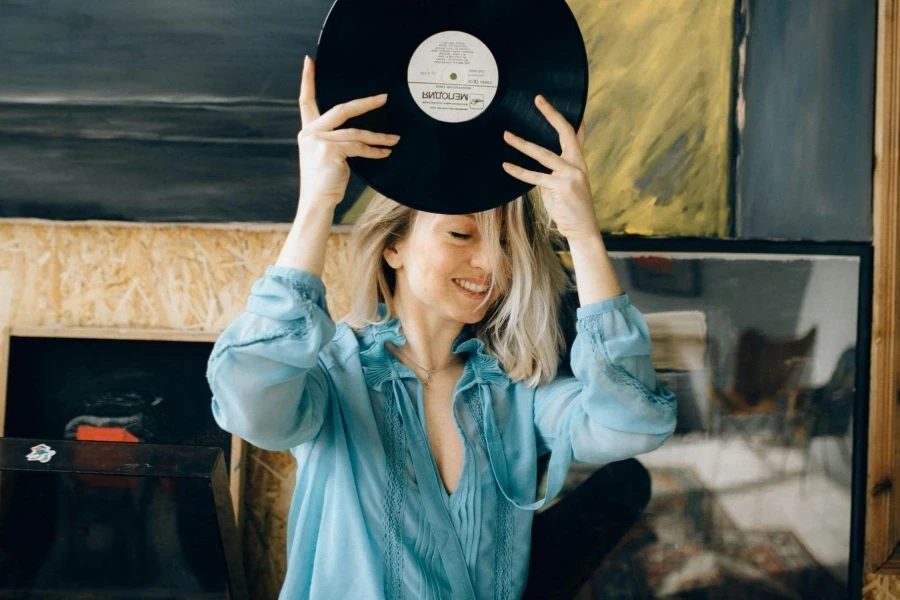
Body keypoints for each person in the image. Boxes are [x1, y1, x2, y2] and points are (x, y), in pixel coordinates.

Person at [206, 55, 677, 600]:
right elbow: (248, 399)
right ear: (393, 246)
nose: (493, 264)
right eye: (461, 236)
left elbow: (634, 422)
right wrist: (318, 201)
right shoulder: (334, 381)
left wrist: (583, 234)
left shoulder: (516, 394)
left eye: (506, 245)